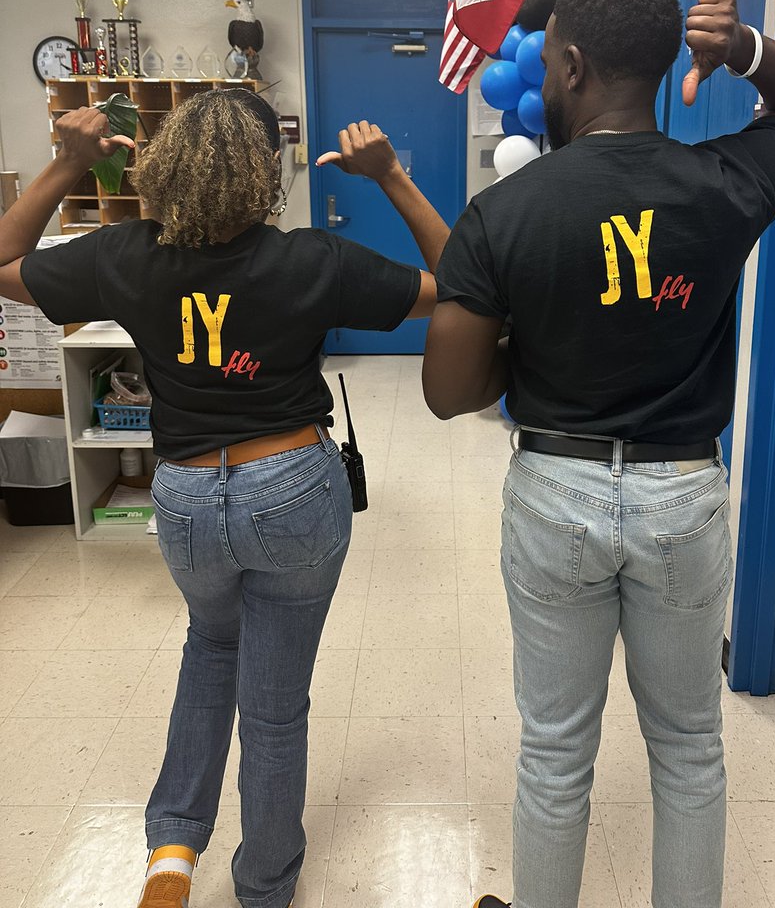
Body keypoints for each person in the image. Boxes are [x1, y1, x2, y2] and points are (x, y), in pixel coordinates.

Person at [420, 0, 775, 908]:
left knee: (556, 752)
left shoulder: (504, 213)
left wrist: (518, 351)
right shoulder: (726, 181)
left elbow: (449, 393)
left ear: (566, 66)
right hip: (683, 498)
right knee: (690, 745)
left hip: (556, 492)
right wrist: (746, 53)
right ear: (658, 67)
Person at [0, 89, 448, 908]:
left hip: (183, 495)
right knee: (275, 709)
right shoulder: (312, 259)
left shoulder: (123, 253)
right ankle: (264, 886)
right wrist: (390, 178)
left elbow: (2, 267)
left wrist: (67, 163)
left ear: (167, 167)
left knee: (211, 644)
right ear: (262, 175)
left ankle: (172, 850)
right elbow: (459, 285)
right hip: (293, 490)